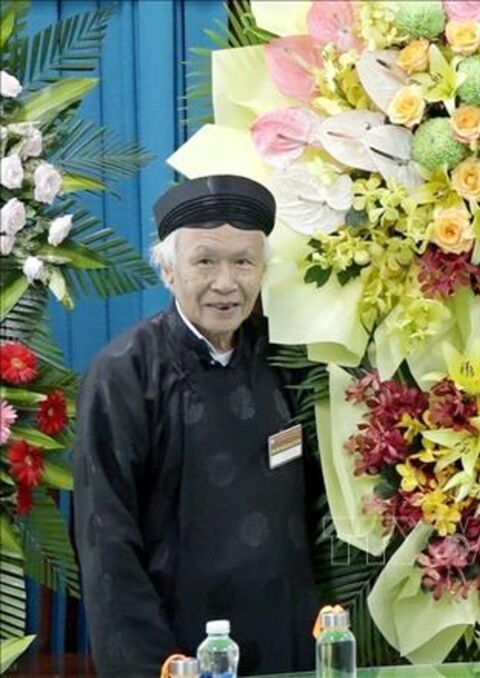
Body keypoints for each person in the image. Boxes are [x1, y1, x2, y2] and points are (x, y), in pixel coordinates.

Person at [73, 175, 318, 676]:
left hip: (288, 645)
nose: (226, 283)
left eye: (243, 262)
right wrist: (156, 664)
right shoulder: (124, 373)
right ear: (168, 268)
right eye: (205, 261)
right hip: (177, 653)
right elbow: (105, 539)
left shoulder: (292, 361)